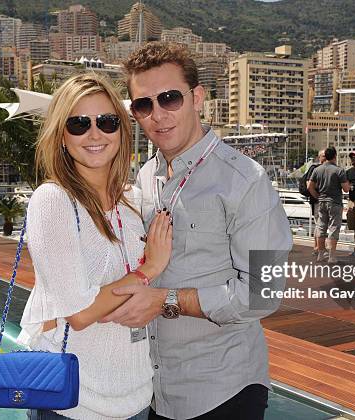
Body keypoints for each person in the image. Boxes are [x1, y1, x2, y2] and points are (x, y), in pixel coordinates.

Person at [100, 42, 293, 419]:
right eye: (144, 105)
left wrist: (165, 301)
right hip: (157, 388)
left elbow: (264, 293)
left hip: (223, 389)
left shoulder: (245, 180)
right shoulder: (146, 176)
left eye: (170, 98)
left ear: (197, 97)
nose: (158, 115)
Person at [17, 73, 173, 420]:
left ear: (121, 129)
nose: (95, 133)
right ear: (61, 135)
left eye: (107, 121)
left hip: (136, 398)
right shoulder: (53, 200)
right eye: (78, 123)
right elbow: (81, 312)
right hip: (72, 403)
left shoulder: (132, 201)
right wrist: (148, 269)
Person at [308, 147, 350, 264]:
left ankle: (320, 254)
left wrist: (317, 196)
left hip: (321, 202)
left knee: (321, 227)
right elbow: (346, 189)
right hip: (335, 202)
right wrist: (349, 185)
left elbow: (309, 187)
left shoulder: (317, 170)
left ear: (325, 156)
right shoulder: (339, 170)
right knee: (333, 228)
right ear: (335, 156)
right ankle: (332, 256)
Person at [305, 149, 325, 256]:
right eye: (323, 156)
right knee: (319, 224)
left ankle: (318, 247)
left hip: (322, 201)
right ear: (319, 157)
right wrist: (317, 197)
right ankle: (317, 247)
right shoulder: (314, 168)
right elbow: (309, 185)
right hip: (317, 201)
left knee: (320, 224)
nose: (325, 158)